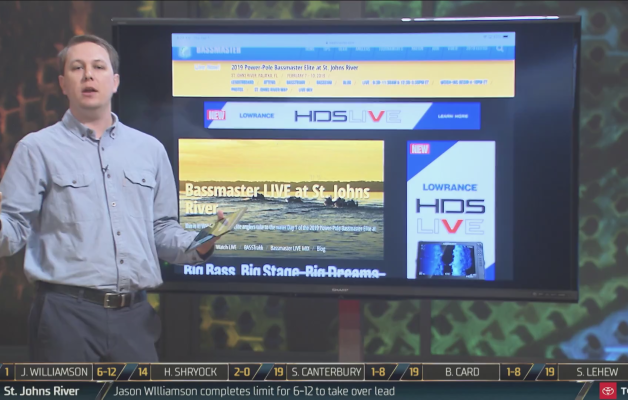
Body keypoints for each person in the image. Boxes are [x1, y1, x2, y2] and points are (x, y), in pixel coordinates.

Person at [0, 34, 221, 362]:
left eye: (98, 67)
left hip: (134, 319)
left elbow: (161, 230)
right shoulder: (36, 149)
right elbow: (13, 230)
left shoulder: (149, 150)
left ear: (115, 81)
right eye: (77, 68)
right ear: (63, 83)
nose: (88, 75)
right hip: (64, 318)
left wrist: (202, 242)